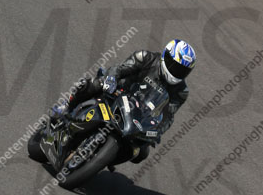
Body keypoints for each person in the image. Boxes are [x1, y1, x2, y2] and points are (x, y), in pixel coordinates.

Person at [51, 39, 196, 163]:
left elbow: (168, 117)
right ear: (166, 56)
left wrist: (157, 131)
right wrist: (111, 79)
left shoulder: (181, 92)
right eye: (175, 66)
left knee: (141, 153)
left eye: (182, 70)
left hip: (140, 115)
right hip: (118, 92)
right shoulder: (145, 57)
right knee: (93, 84)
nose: (177, 72)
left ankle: (103, 158)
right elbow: (119, 69)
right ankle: (67, 106)